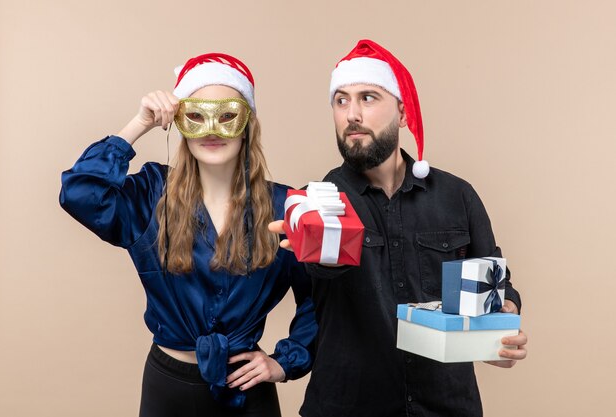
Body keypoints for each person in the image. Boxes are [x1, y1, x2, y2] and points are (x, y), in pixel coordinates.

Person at [270, 39, 528, 417]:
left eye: (368, 98)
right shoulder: (316, 203)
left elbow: (497, 283)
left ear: (403, 113)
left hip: (447, 407)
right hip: (347, 407)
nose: (351, 114)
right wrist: (318, 244)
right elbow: (324, 274)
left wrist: (500, 331)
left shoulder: (457, 196)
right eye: (341, 101)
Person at [60, 53, 317, 417]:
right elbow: (80, 193)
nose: (211, 129)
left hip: (247, 391)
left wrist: (285, 361)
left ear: (247, 124)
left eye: (226, 115)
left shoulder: (286, 206)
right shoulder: (151, 195)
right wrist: (139, 124)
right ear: (180, 121)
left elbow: (319, 296)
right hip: (168, 388)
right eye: (197, 115)